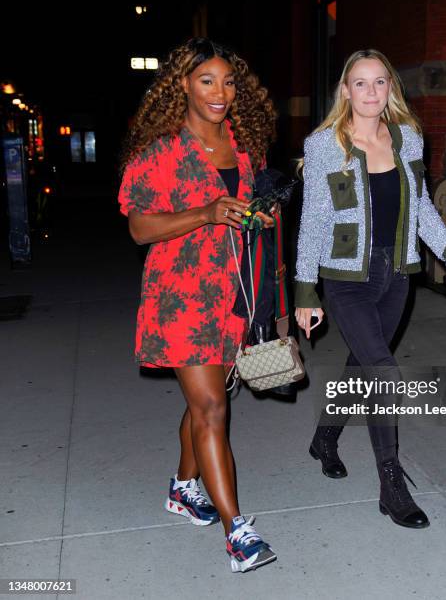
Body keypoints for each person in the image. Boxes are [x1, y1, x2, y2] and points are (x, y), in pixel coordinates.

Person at [118, 37, 278, 572]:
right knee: (213, 407)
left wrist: (258, 218)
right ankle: (239, 533)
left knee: (201, 400)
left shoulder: (243, 145)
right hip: (181, 296)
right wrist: (207, 213)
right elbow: (141, 228)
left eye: (229, 81)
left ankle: (184, 488)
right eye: (207, 80)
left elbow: (242, 214)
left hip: (234, 293)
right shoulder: (159, 150)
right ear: (182, 84)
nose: (220, 92)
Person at [294, 49, 446, 529]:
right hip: (347, 278)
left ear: (391, 88)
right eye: (360, 83)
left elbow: (422, 210)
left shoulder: (408, 139)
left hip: (397, 276)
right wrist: (306, 292)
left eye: (379, 83)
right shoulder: (324, 144)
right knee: (383, 370)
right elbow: (313, 222)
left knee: (363, 364)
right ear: (345, 91)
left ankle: (325, 438)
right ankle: (391, 484)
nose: (371, 93)